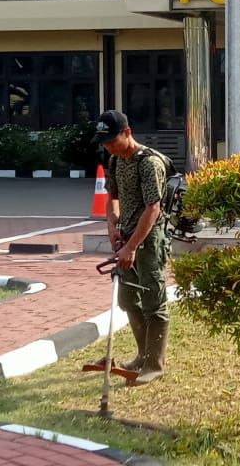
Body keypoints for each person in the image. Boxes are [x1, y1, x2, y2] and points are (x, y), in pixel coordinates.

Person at [93, 109, 172, 385]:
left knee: (153, 300)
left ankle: (154, 364)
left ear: (127, 133)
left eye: (112, 140)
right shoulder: (115, 160)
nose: (108, 147)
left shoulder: (149, 163)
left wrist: (132, 246)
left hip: (149, 240)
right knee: (128, 299)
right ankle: (142, 355)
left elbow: (153, 208)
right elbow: (112, 197)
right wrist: (112, 227)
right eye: (104, 142)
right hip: (126, 237)